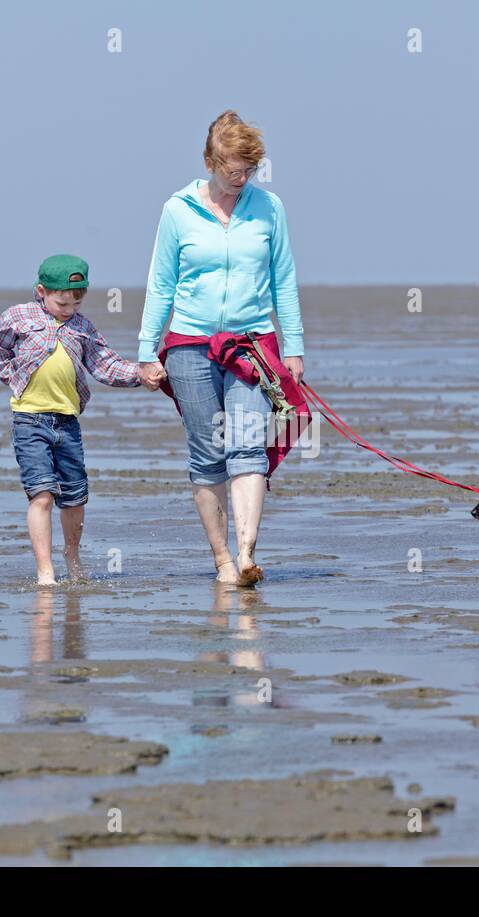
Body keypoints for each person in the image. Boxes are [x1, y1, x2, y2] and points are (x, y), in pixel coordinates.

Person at [137, 111, 305, 586]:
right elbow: (161, 283)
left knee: (248, 448)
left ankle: (248, 554)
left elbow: (284, 280)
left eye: (249, 170)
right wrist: (147, 350)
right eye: (234, 170)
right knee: (208, 452)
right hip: (190, 344)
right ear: (210, 161)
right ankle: (223, 562)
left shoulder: (269, 207)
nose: (242, 179)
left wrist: (293, 346)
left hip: (252, 343)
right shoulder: (177, 210)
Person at [0, 254, 164, 585]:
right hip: (29, 420)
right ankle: (45, 570)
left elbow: (105, 364)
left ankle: (72, 555)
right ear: (42, 291)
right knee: (40, 494)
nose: (69, 308)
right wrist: (13, 376)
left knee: (74, 496)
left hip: (67, 423)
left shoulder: (82, 328)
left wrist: (140, 374)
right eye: (62, 301)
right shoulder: (19, 317)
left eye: (76, 302)